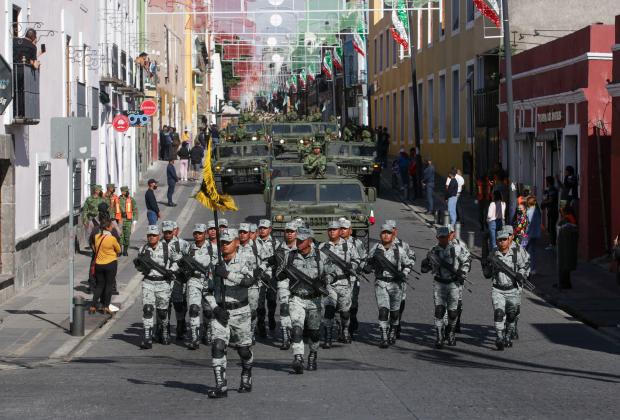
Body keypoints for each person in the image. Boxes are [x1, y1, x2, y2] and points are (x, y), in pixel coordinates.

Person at [275, 228, 333, 373]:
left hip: (315, 300)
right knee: (296, 328)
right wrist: (282, 273)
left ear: (310, 241)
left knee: (314, 333)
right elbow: (278, 274)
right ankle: (298, 357)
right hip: (297, 298)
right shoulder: (290, 256)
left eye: (302, 240)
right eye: (297, 240)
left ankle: (312, 355)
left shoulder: (321, 256)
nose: (298, 242)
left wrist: (325, 280)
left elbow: (331, 273)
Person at [207, 229, 256, 397]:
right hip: (221, 313)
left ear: (236, 242)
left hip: (241, 312)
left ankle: (247, 372)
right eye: (222, 243)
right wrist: (215, 308)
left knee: (243, 351)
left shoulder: (246, 259)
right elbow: (207, 290)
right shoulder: (214, 262)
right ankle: (221, 385)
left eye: (227, 242)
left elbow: (249, 281)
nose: (224, 246)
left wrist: (227, 274)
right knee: (217, 346)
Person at [420, 226, 471, 348]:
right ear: (437, 237)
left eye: (445, 237)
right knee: (439, 310)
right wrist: (426, 263)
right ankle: (439, 335)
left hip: (453, 284)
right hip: (439, 283)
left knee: (453, 313)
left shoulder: (457, 249)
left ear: (449, 237)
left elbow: (467, 261)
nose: (443, 239)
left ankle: (451, 332)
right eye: (441, 237)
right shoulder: (433, 250)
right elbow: (425, 267)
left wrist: (462, 272)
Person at [364, 224, 413, 348]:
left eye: (389, 233)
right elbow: (367, 261)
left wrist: (404, 273)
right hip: (381, 283)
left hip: (396, 284)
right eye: (384, 233)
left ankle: (393, 330)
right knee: (383, 310)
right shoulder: (375, 249)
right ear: (380, 235)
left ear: (393, 235)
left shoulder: (399, 250)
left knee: (395, 313)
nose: (386, 235)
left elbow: (408, 264)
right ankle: (384, 336)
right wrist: (367, 267)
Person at [482, 227, 530, 350]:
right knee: (499, 313)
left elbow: (525, 265)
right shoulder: (493, 253)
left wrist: (521, 274)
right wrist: (488, 266)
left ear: (510, 238)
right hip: (498, 289)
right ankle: (499, 338)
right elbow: (487, 273)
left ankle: (508, 335)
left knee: (512, 315)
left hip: (513, 289)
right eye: (500, 239)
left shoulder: (517, 251)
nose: (502, 241)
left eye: (504, 238)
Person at [318, 221, 360, 347]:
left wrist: (351, 266)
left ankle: (345, 330)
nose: (332, 231)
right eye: (330, 229)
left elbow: (357, 259)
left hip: (345, 283)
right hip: (329, 284)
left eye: (335, 229)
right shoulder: (322, 247)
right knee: (329, 310)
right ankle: (328, 337)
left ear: (339, 231)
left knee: (345, 312)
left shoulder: (349, 246)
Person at [134, 225, 175, 349]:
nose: (151, 237)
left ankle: (164, 333)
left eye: (153, 235)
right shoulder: (142, 250)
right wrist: (139, 266)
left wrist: (171, 270)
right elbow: (139, 267)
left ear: (158, 236)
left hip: (163, 283)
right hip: (148, 283)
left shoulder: (167, 248)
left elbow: (178, 261)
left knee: (162, 313)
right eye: (149, 235)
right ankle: (147, 337)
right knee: (147, 309)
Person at [184, 223, 215, 349]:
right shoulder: (189, 249)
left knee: (208, 312)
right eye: (195, 233)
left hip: (208, 281)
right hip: (194, 280)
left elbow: (220, 265)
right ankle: (195, 338)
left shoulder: (213, 248)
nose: (197, 235)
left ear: (205, 234)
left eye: (200, 233)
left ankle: (207, 332)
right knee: (194, 309)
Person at [384, 220, 416, 338]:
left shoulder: (403, 244)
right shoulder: (381, 244)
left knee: (400, 300)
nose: (388, 232)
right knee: (385, 303)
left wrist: (406, 269)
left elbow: (412, 256)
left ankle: (397, 322)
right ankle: (388, 324)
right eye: (386, 230)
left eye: (391, 229)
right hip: (385, 279)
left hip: (399, 279)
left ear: (395, 231)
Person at [339, 218, 367, 338]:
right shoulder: (333, 243)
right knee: (339, 305)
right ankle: (343, 330)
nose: (342, 231)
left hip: (353, 279)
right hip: (338, 280)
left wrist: (359, 268)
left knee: (353, 303)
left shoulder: (357, 243)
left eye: (344, 229)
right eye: (340, 228)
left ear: (350, 230)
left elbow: (364, 258)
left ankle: (352, 320)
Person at [89, 219, 121, 315]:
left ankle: (93, 306)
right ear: (107, 228)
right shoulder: (112, 239)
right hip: (110, 264)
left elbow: (94, 247)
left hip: (99, 264)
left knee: (99, 285)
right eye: (111, 226)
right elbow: (119, 250)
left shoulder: (96, 237)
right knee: (109, 285)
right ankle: (106, 307)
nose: (112, 227)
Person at [237, 223, 261, 343]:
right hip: (237, 285)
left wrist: (262, 272)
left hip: (253, 286)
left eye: (245, 232)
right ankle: (242, 335)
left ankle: (251, 332)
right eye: (240, 232)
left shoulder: (257, 247)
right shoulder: (234, 246)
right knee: (239, 312)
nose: (242, 234)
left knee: (252, 312)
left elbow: (266, 262)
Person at [541, 176, 559, 250]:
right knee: (551, 227)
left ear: (548, 182)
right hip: (552, 210)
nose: (546, 183)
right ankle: (552, 243)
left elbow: (551, 200)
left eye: (546, 181)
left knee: (552, 228)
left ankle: (553, 244)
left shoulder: (552, 189)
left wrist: (544, 202)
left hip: (553, 210)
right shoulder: (551, 189)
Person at [525, 196, 542, 275]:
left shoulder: (528, 212)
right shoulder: (538, 212)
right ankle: (533, 269)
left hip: (528, 234)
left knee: (524, 250)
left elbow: (527, 224)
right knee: (533, 251)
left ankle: (526, 267)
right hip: (536, 234)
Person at [118, 186, 137, 256]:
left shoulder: (131, 199)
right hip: (120, 220)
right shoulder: (118, 199)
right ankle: (119, 250)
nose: (127, 192)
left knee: (127, 236)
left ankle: (125, 250)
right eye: (125, 191)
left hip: (128, 220)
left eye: (127, 191)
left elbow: (135, 209)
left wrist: (135, 221)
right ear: (122, 192)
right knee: (120, 236)